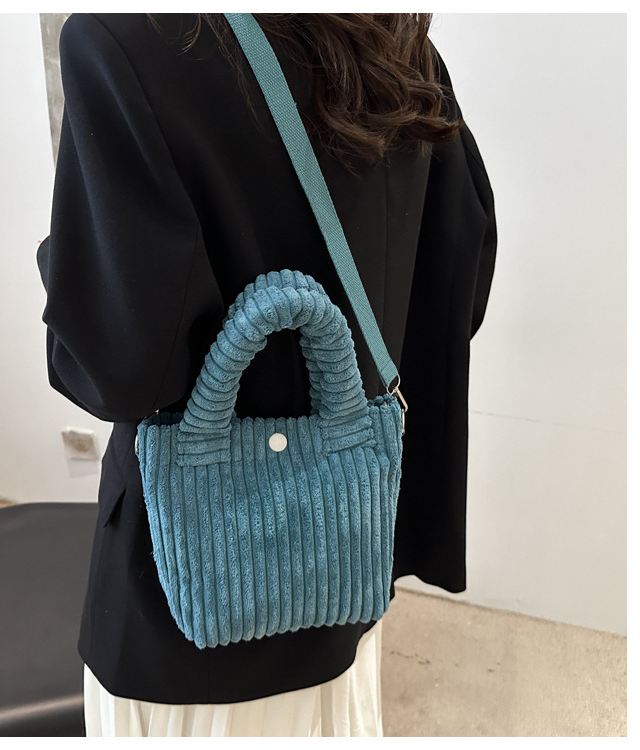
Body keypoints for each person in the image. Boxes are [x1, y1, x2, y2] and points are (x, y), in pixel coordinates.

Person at [37, 12, 497, 737]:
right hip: (343, 561)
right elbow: (460, 283)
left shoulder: (123, 41)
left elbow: (116, 370)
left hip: (183, 619)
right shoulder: (394, 44)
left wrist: (65, 256)